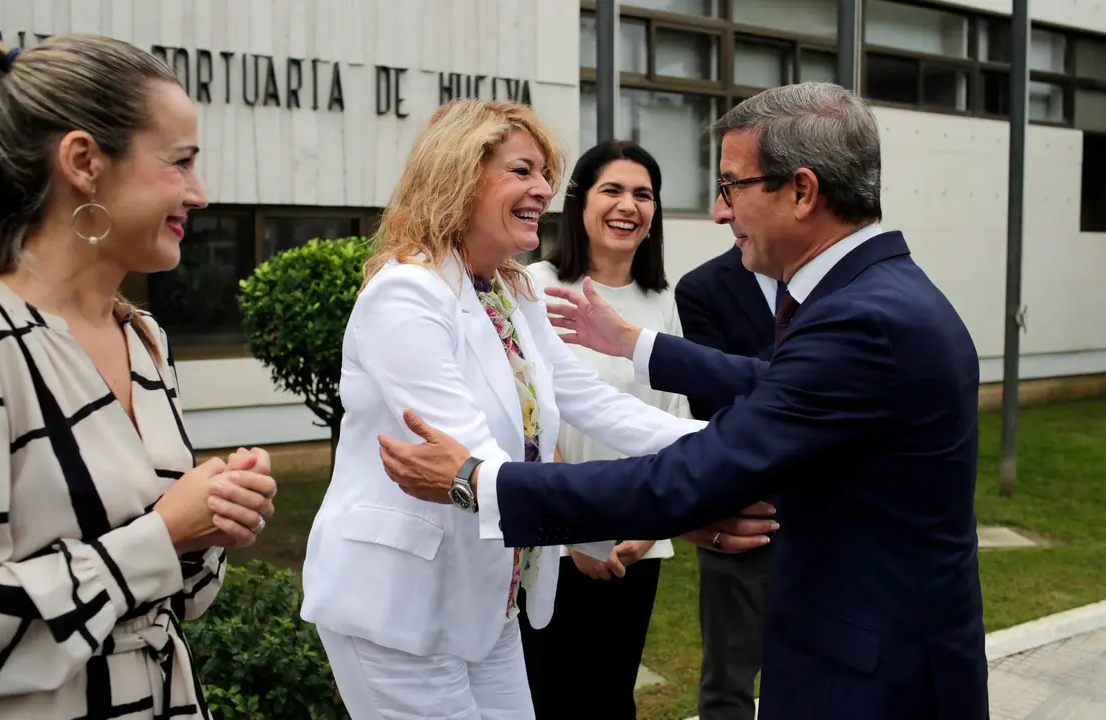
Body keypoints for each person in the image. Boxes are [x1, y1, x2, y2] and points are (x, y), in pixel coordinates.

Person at [378, 82, 989, 720]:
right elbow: (774, 390)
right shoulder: (879, 296)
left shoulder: (863, 319)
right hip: (873, 657)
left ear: (802, 191)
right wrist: (640, 350)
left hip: (874, 677)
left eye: (730, 186)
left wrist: (481, 483)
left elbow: (743, 431)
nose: (720, 213)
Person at [298, 99, 771, 720]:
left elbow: (592, 401)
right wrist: (680, 501)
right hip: (398, 608)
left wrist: (722, 450)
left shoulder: (510, 289)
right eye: (523, 171)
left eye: (545, 174)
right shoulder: (407, 294)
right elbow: (479, 463)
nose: (544, 189)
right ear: (459, 174)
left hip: (489, 600)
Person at [0, 36, 277, 719]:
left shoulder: (143, 337)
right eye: (181, 163)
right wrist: (166, 533)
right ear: (84, 162)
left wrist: (212, 523)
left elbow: (178, 603)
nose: (200, 195)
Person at [522, 140, 689, 719]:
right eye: (612, 190)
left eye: (643, 194)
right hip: (553, 541)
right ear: (580, 204)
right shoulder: (531, 286)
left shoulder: (661, 301)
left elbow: (669, 418)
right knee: (549, 697)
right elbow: (532, 420)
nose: (628, 205)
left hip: (637, 541)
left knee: (612, 699)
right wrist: (576, 532)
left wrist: (651, 522)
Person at [674, 246, 782, 720]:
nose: (722, 210)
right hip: (742, 511)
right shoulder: (701, 288)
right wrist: (813, 356)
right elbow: (709, 400)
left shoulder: (836, 282)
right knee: (730, 677)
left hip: (831, 511)